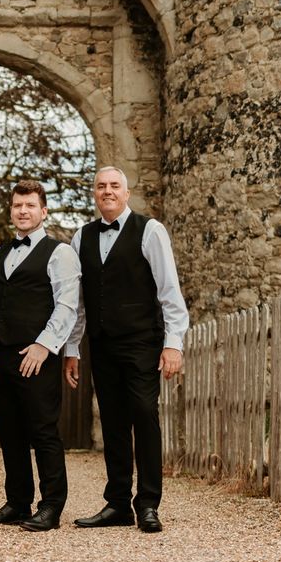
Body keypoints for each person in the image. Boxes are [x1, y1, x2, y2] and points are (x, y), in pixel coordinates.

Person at [65, 167, 188, 533]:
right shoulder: (80, 238)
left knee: (144, 414)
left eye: (114, 186)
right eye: (101, 186)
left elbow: (169, 291)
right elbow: (79, 303)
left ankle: (148, 504)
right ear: (94, 194)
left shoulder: (149, 231)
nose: (107, 191)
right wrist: (73, 348)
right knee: (113, 421)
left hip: (141, 342)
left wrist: (173, 344)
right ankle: (117, 503)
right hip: (101, 344)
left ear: (126, 192)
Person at [0, 178, 80, 531]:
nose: (23, 211)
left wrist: (44, 345)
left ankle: (51, 505)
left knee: (43, 431)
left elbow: (67, 305)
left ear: (43, 211)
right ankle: (18, 502)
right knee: (10, 432)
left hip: (37, 357)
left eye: (30, 205)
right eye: (18, 206)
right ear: (11, 210)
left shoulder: (60, 252)